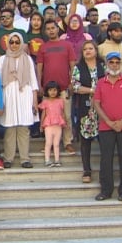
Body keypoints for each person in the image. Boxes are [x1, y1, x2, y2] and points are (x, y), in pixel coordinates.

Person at [93, 52, 122, 202]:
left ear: (121, 64)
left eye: (116, 62)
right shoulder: (100, 82)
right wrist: (108, 121)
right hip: (106, 126)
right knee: (106, 159)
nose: (114, 65)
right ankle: (106, 190)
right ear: (107, 64)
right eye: (111, 62)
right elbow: (97, 104)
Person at [0, 31, 39, 169]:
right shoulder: (2, 59)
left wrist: (34, 101)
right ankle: (8, 158)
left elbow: (33, 81)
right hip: (8, 94)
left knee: (23, 128)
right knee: (9, 128)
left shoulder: (27, 59)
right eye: (11, 42)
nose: (14, 45)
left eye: (17, 42)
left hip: (24, 94)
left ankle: (24, 159)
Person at [36, 19, 77, 154]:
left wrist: (72, 82)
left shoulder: (67, 45)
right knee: (48, 116)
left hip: (64, 87)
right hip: (48, 90)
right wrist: (40, 85)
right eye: (48, 29)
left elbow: (72, 66)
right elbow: (39, 68)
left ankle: (67, 142)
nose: (51, 31)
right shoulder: (43, 47)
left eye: (53, 28)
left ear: (57, 29)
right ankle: (49, 142)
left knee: (66, 116)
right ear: (45, 31)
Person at [71, 41, 104, 183]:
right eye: (85, 49)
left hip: (104, 109)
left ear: (96, 51)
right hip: (86, 108)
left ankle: (105, 171)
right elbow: (75, 86)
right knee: (86, 141)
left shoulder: (103, 65)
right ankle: (87, 170)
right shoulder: (78, 67)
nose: (88, 51)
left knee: (105, 141)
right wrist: (92, 90)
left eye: (91, 48)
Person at [39, 81, 66, 167]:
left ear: (58, 91)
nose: (53, 92)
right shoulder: (45, 101)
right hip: (48, 125)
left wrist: (65, 122)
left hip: (58, 125)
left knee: (56, 143)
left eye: (55, 90)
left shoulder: (60, 101)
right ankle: (47, 160)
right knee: (48, 143)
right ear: (47, 91)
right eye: (50, 90)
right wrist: (41, 124)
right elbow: (44, 113)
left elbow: (62, 113)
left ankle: (57, 160)